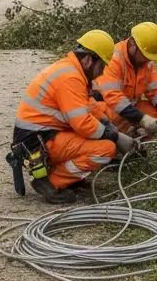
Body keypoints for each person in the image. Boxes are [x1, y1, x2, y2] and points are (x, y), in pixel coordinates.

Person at [12, 29, 140, 204]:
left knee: (103, 131)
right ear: (88, 60)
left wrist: (108, 125)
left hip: (42, 134)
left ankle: (68, 176)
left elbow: (89, 106)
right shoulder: (70, 77)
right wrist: (116, 137)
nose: (102, 72)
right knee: (105, 149)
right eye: (101, 66)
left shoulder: (73, 71)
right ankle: (52, 182)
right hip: (38, 140)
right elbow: (83, 123)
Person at [93, 22, 157, 136]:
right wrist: (142, 119)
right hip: (107, 107)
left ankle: (137, 135)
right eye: (145, 55)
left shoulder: (146, 62)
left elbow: (156, 91)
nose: (147, 59)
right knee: (110, 116)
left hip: (129, 107)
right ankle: (121, 136)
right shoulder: (114, 59)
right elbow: (114, 98)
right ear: (132, 44)